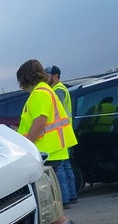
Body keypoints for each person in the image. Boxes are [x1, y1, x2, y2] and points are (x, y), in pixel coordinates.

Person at [16, 59, 79, 224]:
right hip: (51, 148)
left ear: (25, 78)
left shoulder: (39, 94)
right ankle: (61, 222)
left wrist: (27, 144)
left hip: (45, 149)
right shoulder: (46, 91)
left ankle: (60, 223)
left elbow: (40, 121)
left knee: (41, 190)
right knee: (46, 189)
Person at [45, 64, 78, 205]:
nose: (47, 78)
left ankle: (64, 199)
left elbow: (52, 111)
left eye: (49, 76)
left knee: (60, 169)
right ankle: (72, 195)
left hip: (59, 135)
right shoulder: (61, 89)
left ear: (56, 76)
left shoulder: (57, 91)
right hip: (64, 133)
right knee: (66, 166)